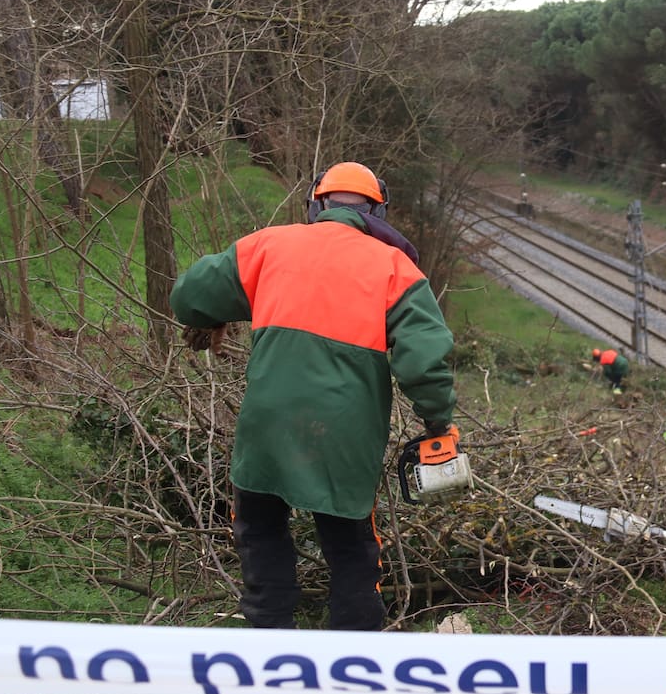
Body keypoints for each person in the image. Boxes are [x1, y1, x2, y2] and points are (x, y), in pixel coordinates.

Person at [171, 160, 457, 631]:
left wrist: (244, 303)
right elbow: (423, 360)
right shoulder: (395, 267)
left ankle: (269, 639)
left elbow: (189, 296)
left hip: (267, 423)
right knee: (349, 545)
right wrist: (436, 421)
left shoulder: (267, 245)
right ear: (378, 211)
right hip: (344, 432)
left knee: (260, 530)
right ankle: (351, 655)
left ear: (316, 203)